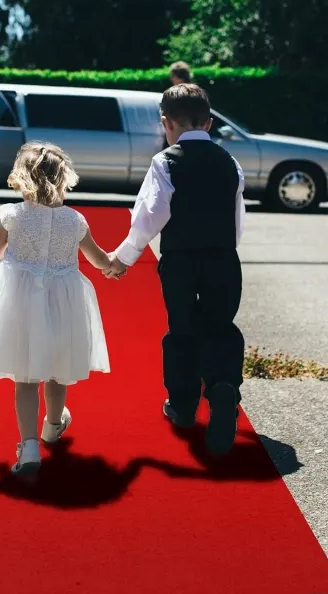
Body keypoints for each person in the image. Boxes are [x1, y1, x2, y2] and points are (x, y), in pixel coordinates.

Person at [104, 83, 246, 456]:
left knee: (182, 330)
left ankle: (183, 406)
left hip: (181, 260)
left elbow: (150, 215)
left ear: (166, 123)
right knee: (220, 326)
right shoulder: (229, 162)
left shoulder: (166, 161)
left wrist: (124, 257)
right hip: (223, 258)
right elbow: (237, 217)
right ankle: (223, 386)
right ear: (210, 122)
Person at [0, 142, 112, 477]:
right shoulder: (75, 220)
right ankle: (54, 424)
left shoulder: (13, 215)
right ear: (63, 180)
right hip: (63, 303)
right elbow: (97, 257)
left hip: (22, 303)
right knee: (59, 368)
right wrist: (114, 265)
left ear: (21, 179)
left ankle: (29, 447)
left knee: (26, 376)